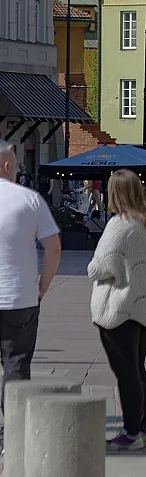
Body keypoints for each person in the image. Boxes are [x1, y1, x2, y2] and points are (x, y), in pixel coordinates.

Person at [88, 169, 146, 451]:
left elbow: (101, 267)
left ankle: (131, 431)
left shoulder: (120, 224)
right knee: (138, 369)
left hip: (121, 309)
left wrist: (93, 267)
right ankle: (145, 429)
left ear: (115, 193)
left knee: (126, 372)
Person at [0, 144, 61, 409]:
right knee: (16, 366)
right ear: (7, 166)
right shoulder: (30, 199)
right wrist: (43, 286)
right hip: (19, 298)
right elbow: (53, 248)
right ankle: (13, 432)